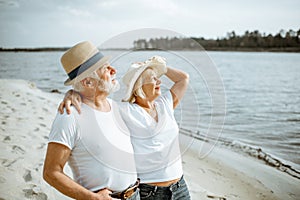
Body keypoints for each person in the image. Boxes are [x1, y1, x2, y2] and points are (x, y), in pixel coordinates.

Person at [59, 56, 191, 200]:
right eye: (153, 78)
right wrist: (72, 93)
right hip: (150, 192)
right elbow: (95, 100)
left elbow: (183, 79)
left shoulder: (165, 104)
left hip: (180, 187)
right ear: (139, 85)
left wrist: (158, 66)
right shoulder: (124, 110)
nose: (159, 81)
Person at [43, 41, 140, 200]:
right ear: (87, 82)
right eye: (106, 69)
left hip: (135, 194)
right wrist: (93, 198)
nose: (114, 70)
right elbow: (51, 172)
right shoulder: (69, 117)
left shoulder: (115, 107)